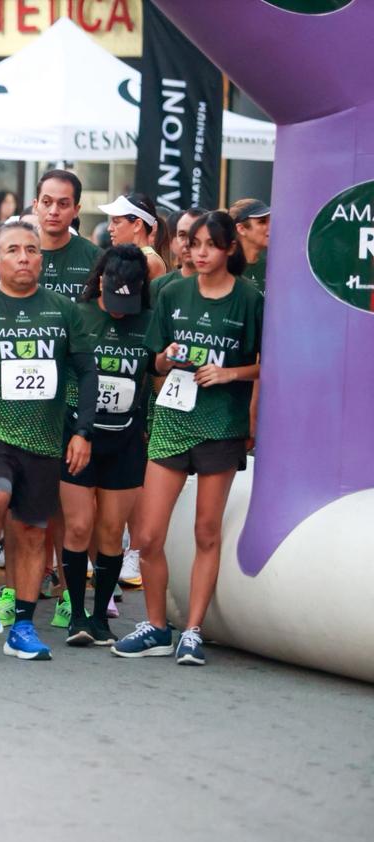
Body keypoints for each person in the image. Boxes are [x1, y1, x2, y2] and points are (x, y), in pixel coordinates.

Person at [0, 221, 97, 661]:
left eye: (31, 250)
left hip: (45, 437)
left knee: (31, 530)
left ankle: (24, 627)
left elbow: (87, 373)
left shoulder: (64, 310)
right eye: (13, 250)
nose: (24, 257)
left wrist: (82, 432)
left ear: (41, 259)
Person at [113, 212, 263, 666]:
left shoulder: (249, 299)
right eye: (192, 243)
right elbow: (153, 362)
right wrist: (166, 357)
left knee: (205, 530)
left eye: (209, 245)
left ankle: (192, 630)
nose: (197, 252)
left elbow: (269, 362)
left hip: (221, 425)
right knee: (148, 534)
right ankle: (157, 626)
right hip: (173, 419)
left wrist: (230, 372)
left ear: (228, 250)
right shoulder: (172, 292)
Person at [57, 245, 154, 646]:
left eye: (126, 302)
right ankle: (77, 614)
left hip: (126, 439)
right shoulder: (76, 316)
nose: (118, 310)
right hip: (77, 434)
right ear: (100, 281)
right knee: (79, 526)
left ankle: (101, 619)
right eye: (114, 299)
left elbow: (159, 374)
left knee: (112, 532)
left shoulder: (149, 322)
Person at [0, 169, 101, 299]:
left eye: (63, 204)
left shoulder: (95, 258)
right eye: (46, 202)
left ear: (76, 210)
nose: (53, 211)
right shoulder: (8, 253)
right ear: (36, 206)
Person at [101, 192, 168, 282]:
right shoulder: (123, 257)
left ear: (137, 225)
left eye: (116, 222)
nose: (109, 228)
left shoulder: (150, 261)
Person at [151, 207, 207, 300]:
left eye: (195, 235)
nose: (188, 243)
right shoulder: (159, 286)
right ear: (172, 241)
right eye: (182, 235)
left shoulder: (230, 287)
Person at [230, 198, 271, 292]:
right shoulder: (225, 268)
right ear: (241, 229)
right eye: (262, 221)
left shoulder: (271, 266)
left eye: (270, 220)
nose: (271, 226)